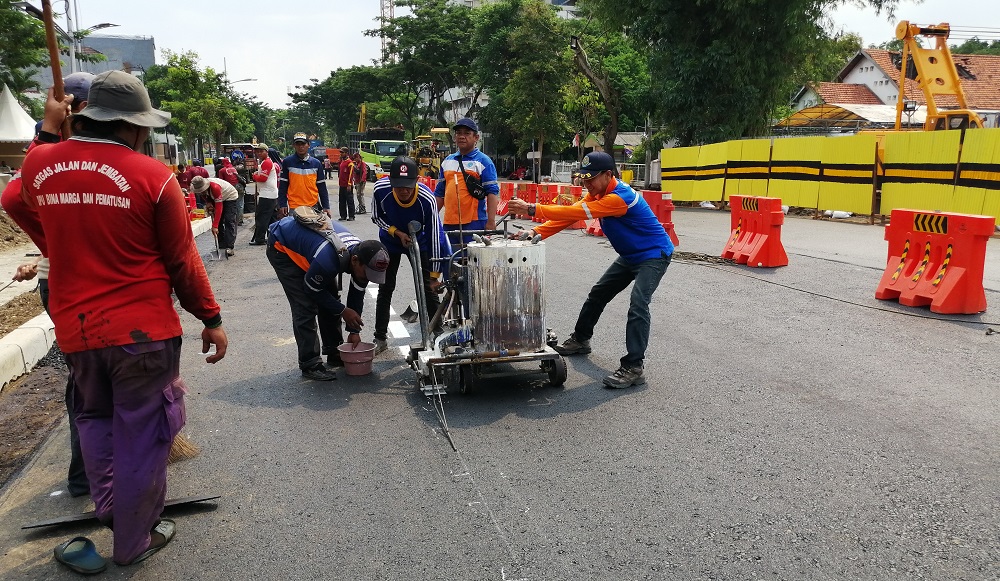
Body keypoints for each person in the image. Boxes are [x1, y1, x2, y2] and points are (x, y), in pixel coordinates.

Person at [5, 70, 228, 567]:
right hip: (142, 334)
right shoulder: (153, 177)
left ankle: (111, 508)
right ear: (134, 126)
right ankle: (133, 541)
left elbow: (12, 198)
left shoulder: (41, 164)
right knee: (145, 434)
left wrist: (46, 133)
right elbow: (182, 261)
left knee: (96, 421)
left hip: (78, 332)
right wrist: (209, 318)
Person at [1, 71, 95, 499]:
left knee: (88, 379)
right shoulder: (79, 165)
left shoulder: (58, 162)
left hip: (63, 279)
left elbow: (21, 198)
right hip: (86, 284)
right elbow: (18, 197)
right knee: (98, 380)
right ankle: (95, 472)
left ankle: (96, 471)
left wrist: (47, 132)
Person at [506, 151, 673, 389]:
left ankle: (634, 367)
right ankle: (581, 340)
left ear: (608, 174)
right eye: (583, 179)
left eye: (590, 179)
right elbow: (567, 217)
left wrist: (532, 208)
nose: (586, 184)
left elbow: (576, 213)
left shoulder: (619, 197)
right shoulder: (597, 193)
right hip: (630, 256)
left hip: (653, 255)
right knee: (599, 293)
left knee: (638, 302)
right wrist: (535, 232)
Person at [267, 208, 389, 380]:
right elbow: (311, 289)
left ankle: (334, 351)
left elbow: (357, 292)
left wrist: (354, 331)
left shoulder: (364, 257)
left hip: (314, 252)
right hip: (282, 246)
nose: (368, 278)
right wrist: (343, 310)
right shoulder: (329, 261)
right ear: (354, 260)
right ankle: (310, 363)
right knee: (305, 306)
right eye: (367, 273)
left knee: (331, 300)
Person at [370, 156, 451, 355]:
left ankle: (437, 332)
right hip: (391, 240)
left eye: (408, 186)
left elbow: (434, 236)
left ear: (416, 181)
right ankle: (380, 337)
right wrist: (395, 232)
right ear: (391, 182)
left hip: (420, 241)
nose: (404, 191)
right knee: (385, 287)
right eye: (398, 186)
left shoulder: (426, 198)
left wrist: (434, 275)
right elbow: (376, 217)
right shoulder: (381, 190)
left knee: (427, 289)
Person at [434, 118, 500, 244]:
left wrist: (491, 222)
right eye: (459, 133)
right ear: (454, 137)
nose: (462, 136)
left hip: (474, 223)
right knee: (449, 260)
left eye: (467, 133)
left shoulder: (484, 161)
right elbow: (439, 194)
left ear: (476, 137)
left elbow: (492, 192)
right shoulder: (447, 161)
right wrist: (429, 219)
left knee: (472, 261)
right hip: (449, 223)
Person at [278, 132, 331, 219]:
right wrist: (282, 204)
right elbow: (283, 186)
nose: (300, 147)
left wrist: (326, 207)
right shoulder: (287, 162)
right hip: (294, 207)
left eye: (303, 144)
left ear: (308, 145)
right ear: (294, 145)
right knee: (295, 232)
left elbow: (322, 187)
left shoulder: (316, 164)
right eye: (297, 144)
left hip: (313, 207)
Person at [191, 175, 240, 256]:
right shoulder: (200, 187)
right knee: (219, 221)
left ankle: (229, 247)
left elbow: (219, 208)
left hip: (229, 196)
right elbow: (204, 195)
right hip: (215, 197)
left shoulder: (215, 187)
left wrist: (215, 226)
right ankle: (221, 245)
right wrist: (208, 202)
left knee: (229, 220)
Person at [250, 143, 279, 245]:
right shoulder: (265, 162)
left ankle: (260, 239)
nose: (259, 153)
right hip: (270, 194)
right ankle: (274, 238)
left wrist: (254, 176)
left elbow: (263, 178)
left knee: (262, 218)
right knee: (272, 218)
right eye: (257, 151)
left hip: (267, 195)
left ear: (266, 152)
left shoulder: (266, 162)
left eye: (261, 151)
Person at [337, 147, 356, 221]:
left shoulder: (350, 163)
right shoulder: (342, 162)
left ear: (346, 153)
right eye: (340, 152)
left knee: (349, 201)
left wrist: (349, 184)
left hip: (347, 185)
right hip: (341, 185)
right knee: (341, 201)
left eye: (342, 152)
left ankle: (351, 216)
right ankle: (343, 215)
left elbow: (351, 175)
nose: (341, 154)